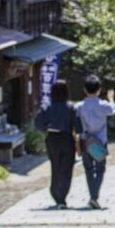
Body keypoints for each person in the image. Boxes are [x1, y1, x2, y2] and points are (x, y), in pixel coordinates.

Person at [75, 74, 115, 210]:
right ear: (99, 89)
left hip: (85, 141)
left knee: (88, 169)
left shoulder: (79, 106)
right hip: (100, 142)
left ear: (84, 90)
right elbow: (113, 110)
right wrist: (111, 98)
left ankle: (93, 196)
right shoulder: (103, 105)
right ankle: (94, 197)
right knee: (99, 169)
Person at [34, 80, 77, 210]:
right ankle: (62, 197)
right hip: (67, 138)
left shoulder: (48, 107)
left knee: (55, 166)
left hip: (52, 138)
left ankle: (55, 193)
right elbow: (78, 125)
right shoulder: (71, 107)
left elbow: (38, 123)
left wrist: (48, 127)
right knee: (66, 168)